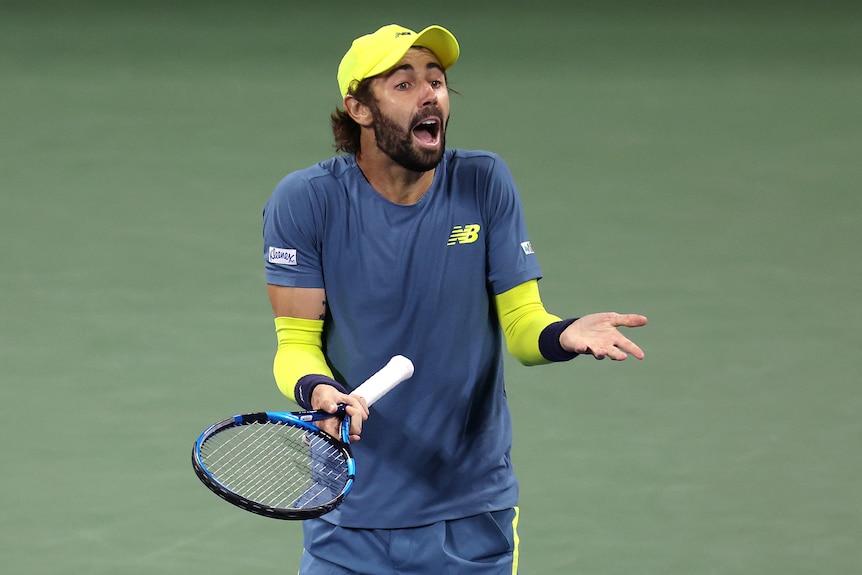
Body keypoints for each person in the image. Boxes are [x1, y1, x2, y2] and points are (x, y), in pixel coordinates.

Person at [262, 23, 647, 575]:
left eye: (437, 80)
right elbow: (295, 345)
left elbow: (522, 326)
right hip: (347, 510)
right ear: (359, 109)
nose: (430, 94)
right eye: (403, 83)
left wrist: (563, 334)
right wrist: (319, 389)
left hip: (469, 513)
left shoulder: (483, 182)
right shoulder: (305, 201)